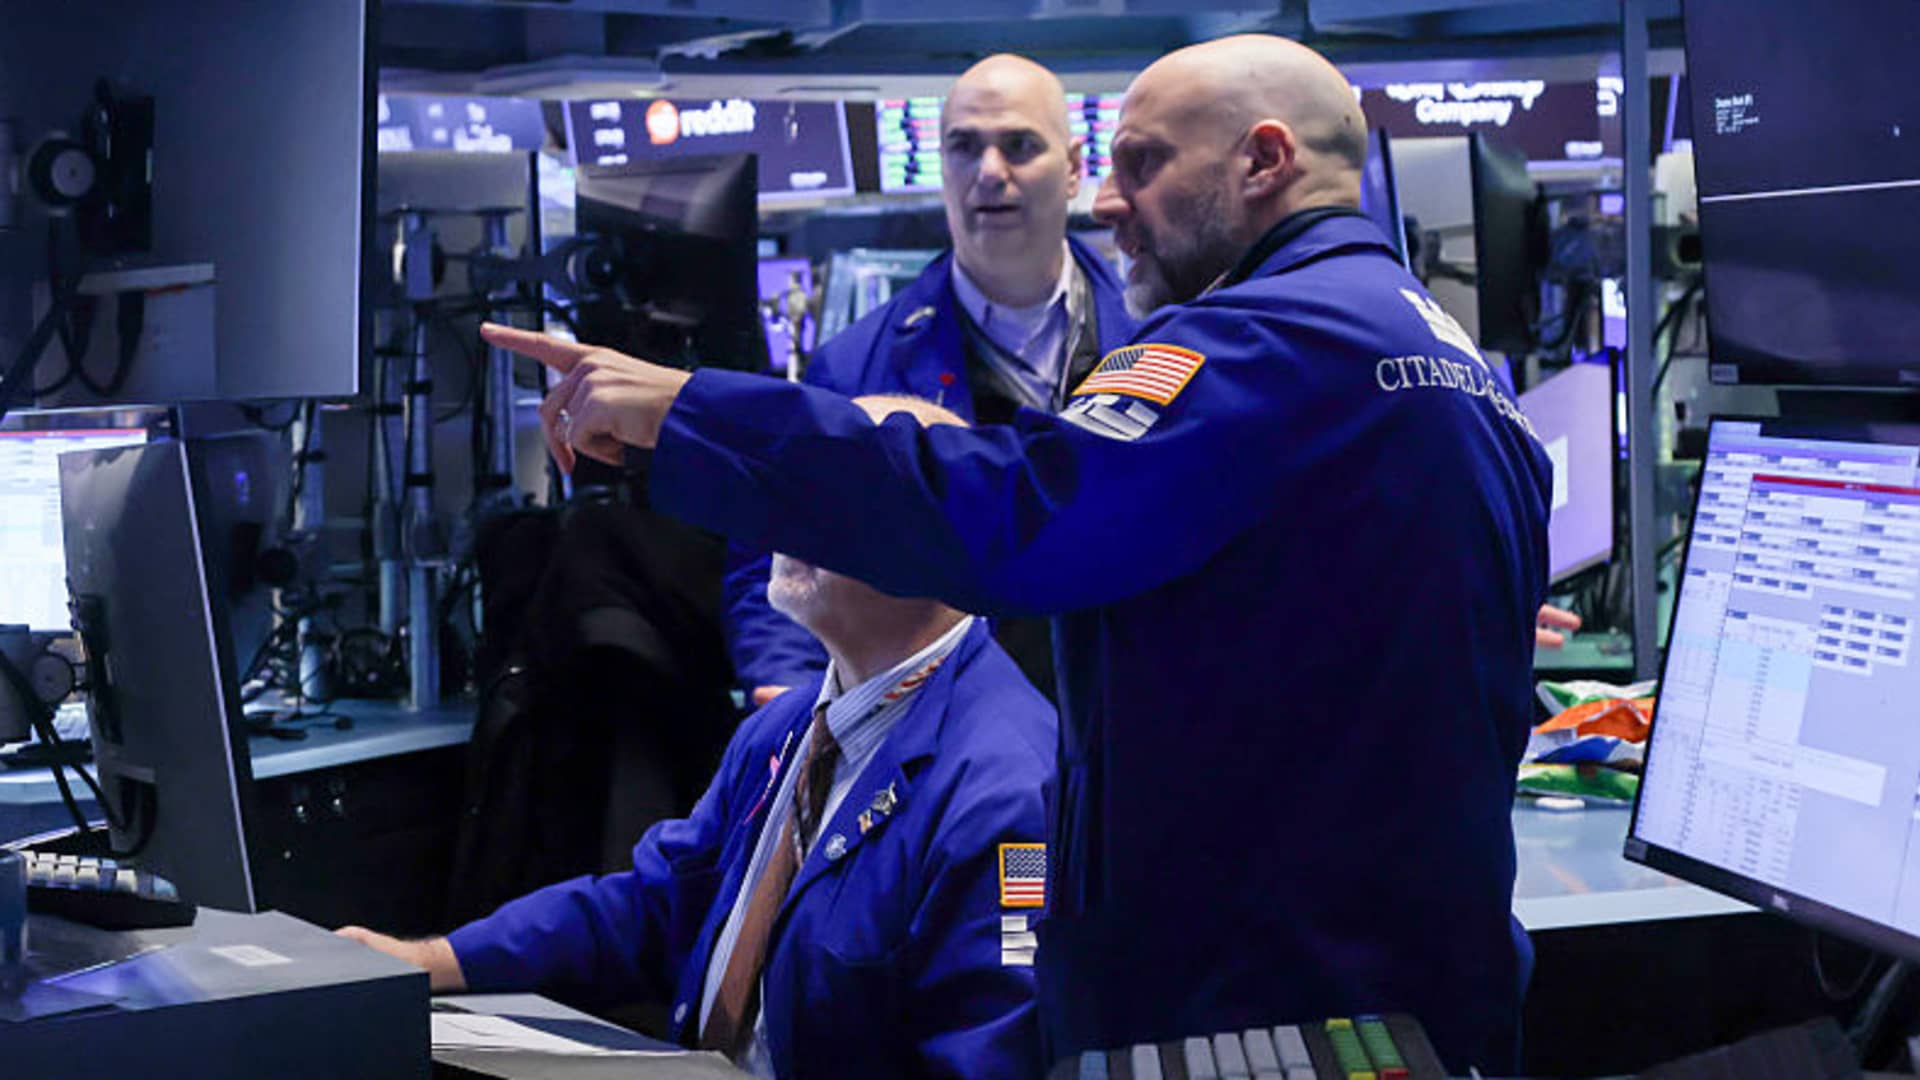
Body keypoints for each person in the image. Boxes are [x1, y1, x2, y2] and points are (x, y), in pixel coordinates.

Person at [481, 33, 1551, 1073]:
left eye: (1143, 163)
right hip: (1409, 993)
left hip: (1269, 1007)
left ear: (1264, 161)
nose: (1110, 202)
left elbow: (1018, 508)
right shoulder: (1448, 362)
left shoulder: (1262, 344)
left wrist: (691, 411)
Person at [340, 397, 1056, 1080]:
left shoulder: (1004, 791)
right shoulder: (788, 727)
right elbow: (655, 905)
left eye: (832, 493)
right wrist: (434, 960)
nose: (782, 517)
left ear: (943, 546)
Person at [726, 54, 1135, 708]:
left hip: (1128, 705)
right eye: (964, 148)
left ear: (1073, 168)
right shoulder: (855, 368)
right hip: (936, 722)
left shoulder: (1158, 338)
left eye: (1020, 146)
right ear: (942, 167)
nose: (990, 172)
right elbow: (773, 560)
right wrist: (794, 690)